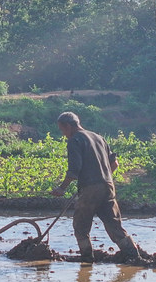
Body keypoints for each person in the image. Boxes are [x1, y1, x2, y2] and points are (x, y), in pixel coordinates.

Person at [51, 111, 141, 263]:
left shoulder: (75, 140)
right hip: (108, 185)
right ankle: (133, 255)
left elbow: (74, 171)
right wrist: (102, 179)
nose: (63, 134)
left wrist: (62, 188)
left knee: (80, 225)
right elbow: (115, 164)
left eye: (62, 130)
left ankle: (86, 259)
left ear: (68, 126)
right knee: (114, 224)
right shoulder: (98, 137)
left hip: (91, 188)